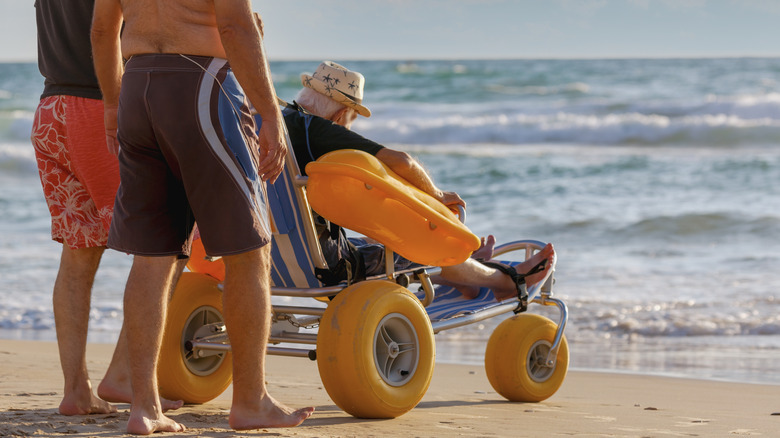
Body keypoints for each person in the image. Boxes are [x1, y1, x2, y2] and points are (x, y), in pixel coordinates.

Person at [91, 0, 313, 434]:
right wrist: (270, 113)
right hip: (202, 84)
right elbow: (236, 27)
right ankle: (250, 402)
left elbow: (102, 31)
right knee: (249, 251)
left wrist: (113, 106)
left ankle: (144, 407)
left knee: (151, 256)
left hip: (137, 85)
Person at [282, 61, 556, 301]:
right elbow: (403, 162)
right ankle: (505, 282)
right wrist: (436, 195)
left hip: (277, 261)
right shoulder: (317, 129)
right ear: (341, 114)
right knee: (423, 242)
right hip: (328, 266)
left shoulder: (274, 123)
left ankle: (465, 275)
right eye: (352, 119)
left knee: (376, 241)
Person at [30, 0, 183, 416]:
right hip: (101, 109)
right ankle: (123, 376)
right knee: (166, 247)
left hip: (52, 110)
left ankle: (76, 390)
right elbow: (113, 31)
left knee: (78, 253)